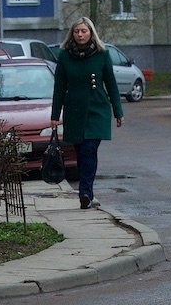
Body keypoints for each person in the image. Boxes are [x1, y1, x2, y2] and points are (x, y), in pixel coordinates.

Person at [50, 17, 124, 210]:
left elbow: (111, 84)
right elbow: (59, 87)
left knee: (89, 149)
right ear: (72, 34)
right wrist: (55, 115)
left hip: (97, 109)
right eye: (77, 31)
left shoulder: (101, 54)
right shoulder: (65, 56)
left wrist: (118, 111)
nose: (80, 35)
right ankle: (86, 191)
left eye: (84, 31)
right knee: (80, 152)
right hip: (74, 110)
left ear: (91, 32)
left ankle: (85, 192)